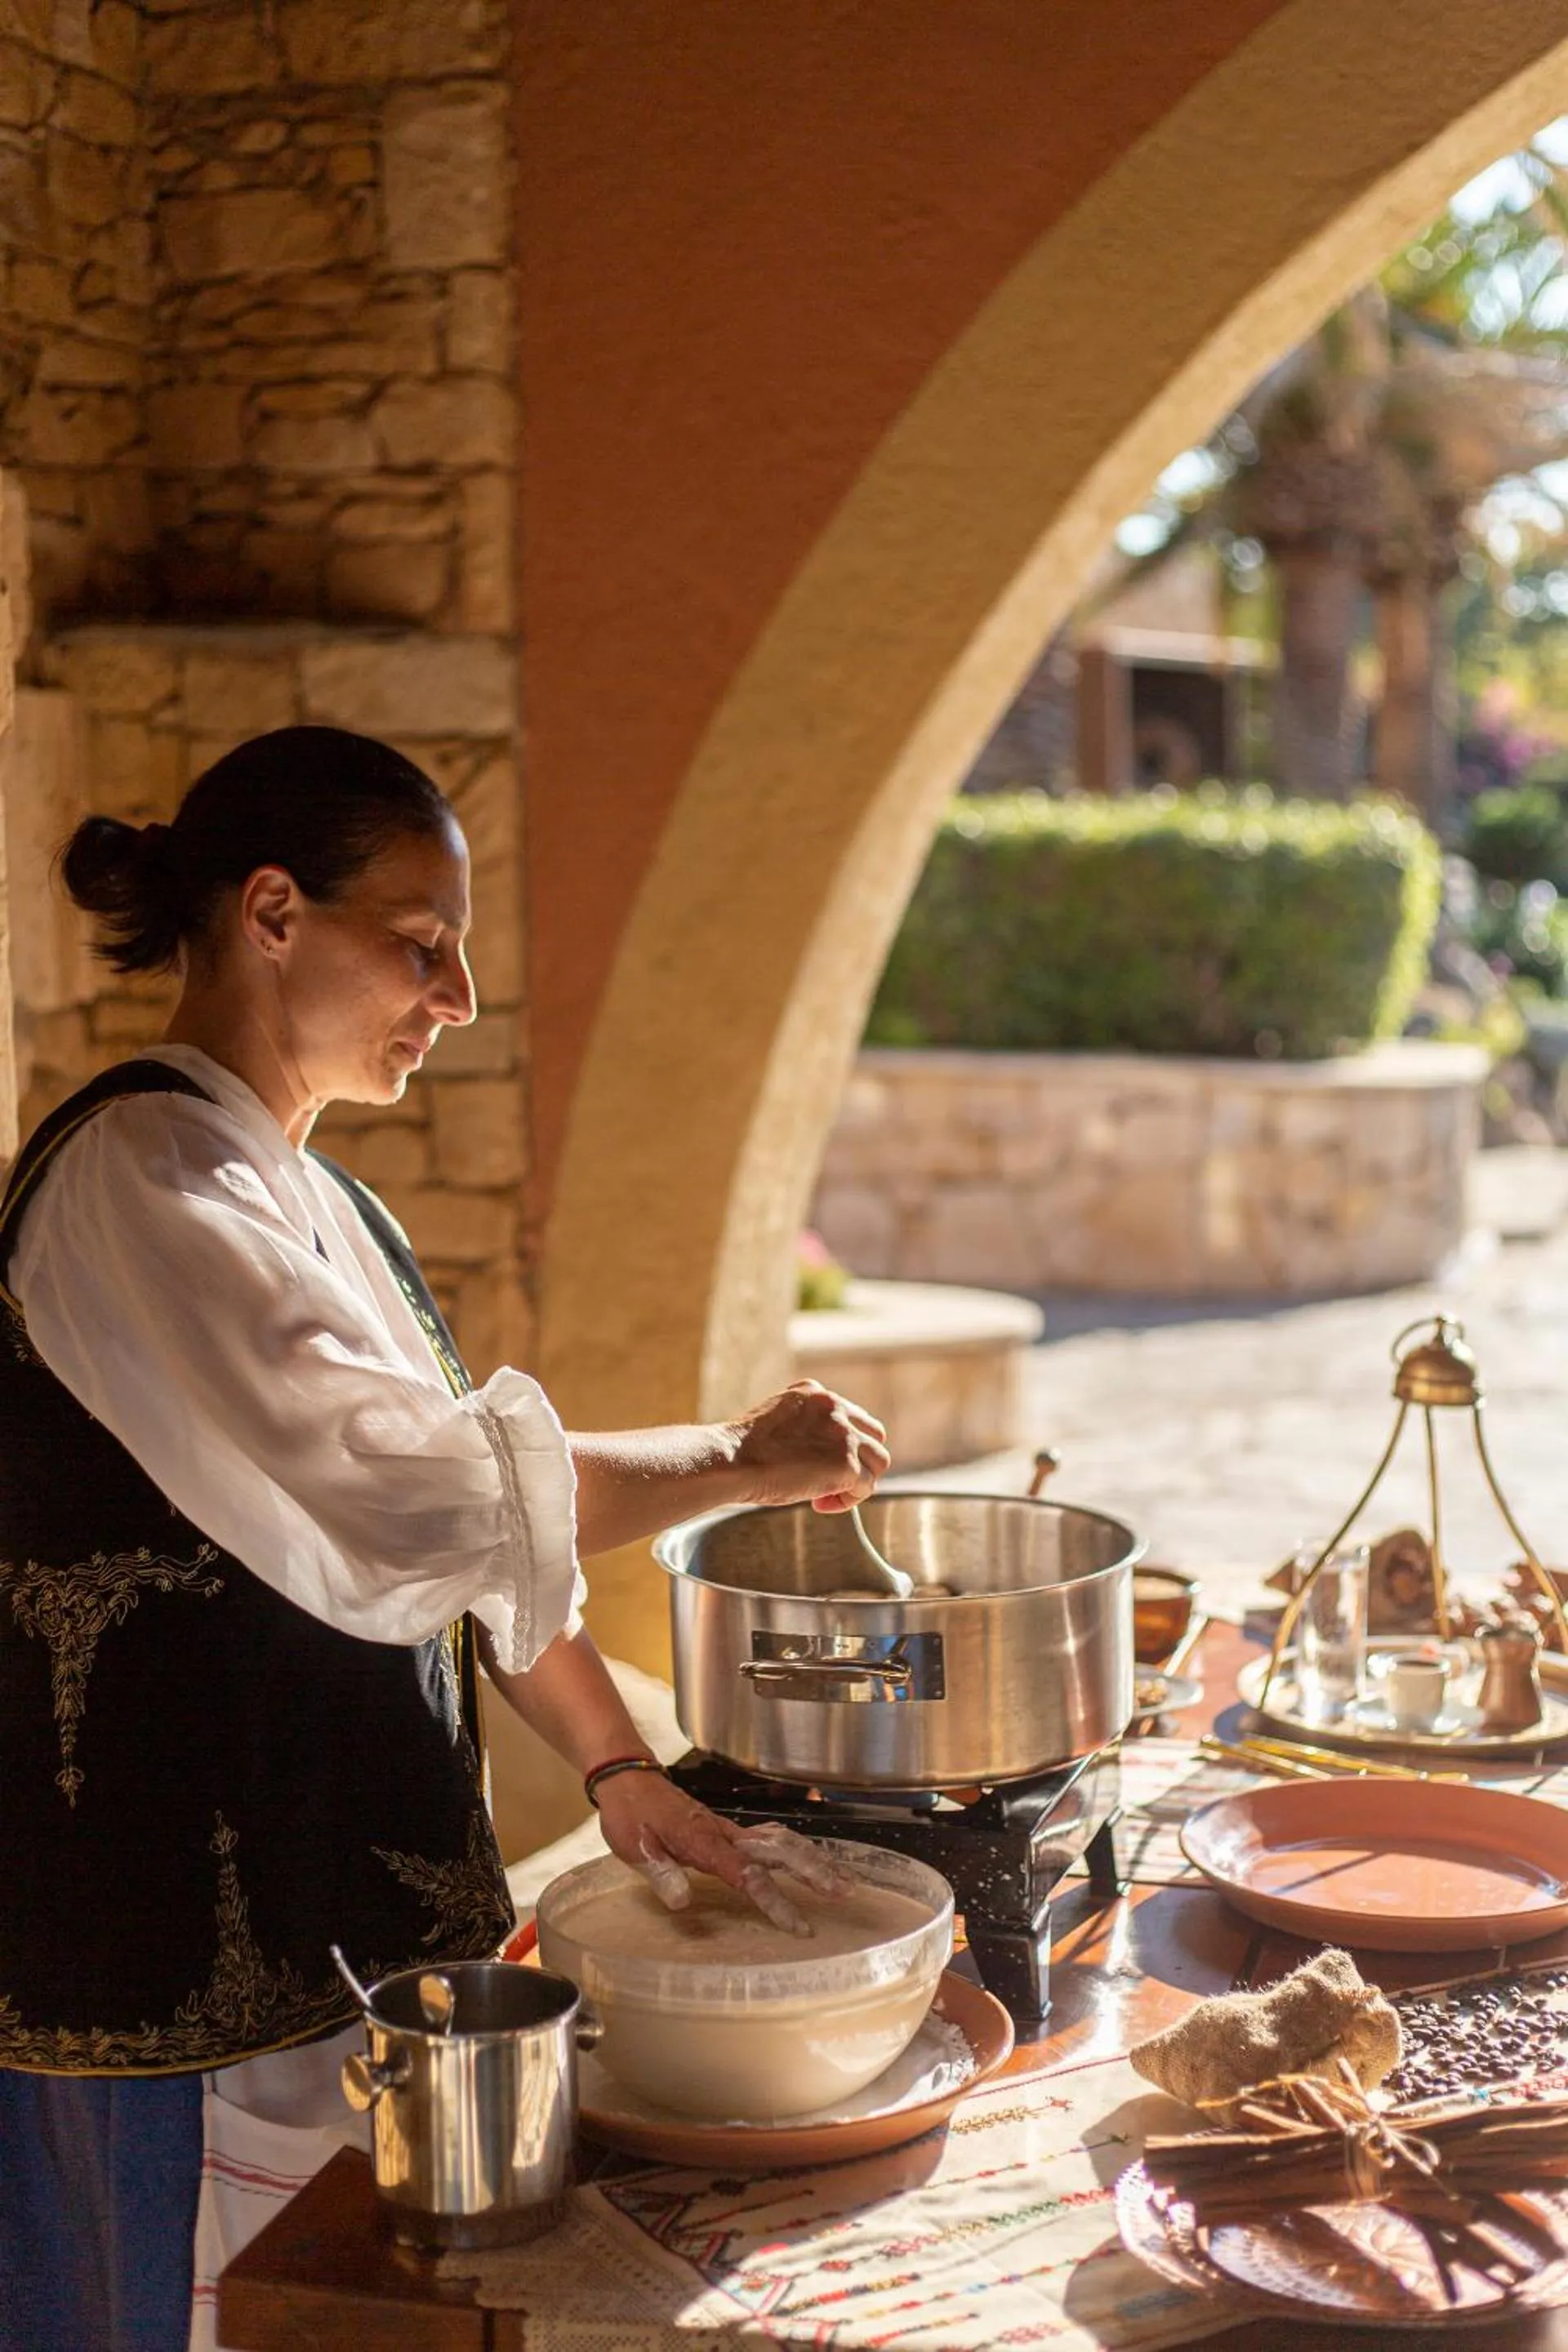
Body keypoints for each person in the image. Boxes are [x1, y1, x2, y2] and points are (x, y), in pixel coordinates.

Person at [0, 724, 891, 2352]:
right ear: (273, 913)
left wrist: (623, 1774)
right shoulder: (146, 1182)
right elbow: (428, 1494)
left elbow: (480, 1543)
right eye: (422, 945)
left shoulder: (320, 1204)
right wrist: (740, 1458)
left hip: (324, 1925)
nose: (456, 998)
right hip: (175, 1972)